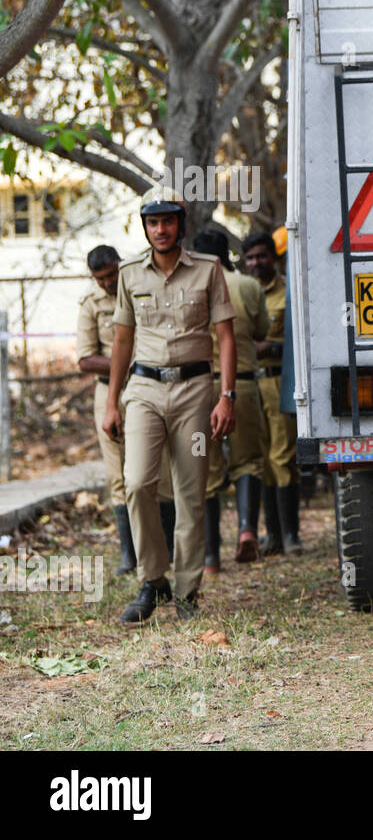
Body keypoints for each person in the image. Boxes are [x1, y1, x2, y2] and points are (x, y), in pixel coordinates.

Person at [104, 196, 237, 623]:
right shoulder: (129, 274)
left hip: (195, 394)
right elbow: (122, 341)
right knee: (138, 482)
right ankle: (152, 581)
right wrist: (112, 402)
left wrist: (226, 396)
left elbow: (226, 336)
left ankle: (186, 592)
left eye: (167, 222)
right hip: (143, 391)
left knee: (190, 491)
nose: (160, 230)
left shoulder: (208, 270)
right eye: (153, 223)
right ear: (144, 228)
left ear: (180, 226)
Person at [77, 246, 178, 575]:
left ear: (120, 267)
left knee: (159, 470)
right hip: (111, 391)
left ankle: (168, 549)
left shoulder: (141, 289)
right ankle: (129, 554)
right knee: (119, 473)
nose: (107, 283)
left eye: (111, 275)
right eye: (100, 279)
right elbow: (85, 358)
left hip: (150, 389)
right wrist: (125, 364)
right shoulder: (90, 304)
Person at [193, 230, 270, 571]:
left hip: (198, 389)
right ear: (227, 254)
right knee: (248, 461)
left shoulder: (189, 288)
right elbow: (262, 332)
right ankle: (246, 530)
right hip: (242, 386)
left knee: (205, 470)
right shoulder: (248, 286)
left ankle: (210, 557)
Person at [242, 231, 301, 555]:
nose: (256, 263)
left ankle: (291, 534)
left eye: (261, 256)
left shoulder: (288, 292)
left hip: (279, 380)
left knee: (283, 456)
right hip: (252, 383)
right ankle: (273, 535)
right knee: (261, 458)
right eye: (250, 258)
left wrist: (270, 347)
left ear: (273, 258)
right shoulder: (245, 292)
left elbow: (298, 339)